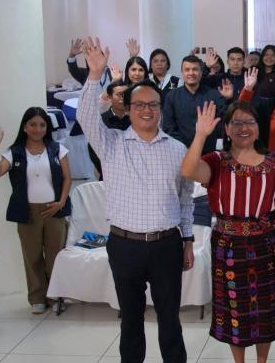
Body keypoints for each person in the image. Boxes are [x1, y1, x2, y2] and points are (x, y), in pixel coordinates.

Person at [77, 37, 195, 363]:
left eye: (153, 105)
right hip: (125, 245)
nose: (146, 110)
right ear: (127, 110)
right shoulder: (111, 143)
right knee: (131, 321)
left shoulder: (176, 148)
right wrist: (94, 75)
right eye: (139, 105)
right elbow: (86, 118)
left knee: (170, 321)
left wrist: (187, 240)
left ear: (161, 109)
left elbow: (185, 199)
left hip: (166, 245)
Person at [180, 101, 275, 363]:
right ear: (227, 129)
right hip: (229, 246)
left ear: (259, 127)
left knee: (265, 311)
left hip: (268, 244)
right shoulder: (217, 161)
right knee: (235, 310)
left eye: (250, 122)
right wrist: (200, 134)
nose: (244, 128)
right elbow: (188, 171)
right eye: (237, 123)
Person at [0, 108, 71, 314]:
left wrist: (60, 203)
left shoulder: (57, 149)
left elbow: (68, 178)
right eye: (33, 125)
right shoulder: (14, 151)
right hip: (27, 211)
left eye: (42, 125)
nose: (37, 129)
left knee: (55, 255)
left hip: (54, 210)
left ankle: (55, 297)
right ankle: (37, 298)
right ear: (25, 127)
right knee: (31, 256)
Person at [162, 55, 231, 155]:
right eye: (187, 70)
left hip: (210, 152)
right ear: (182, 72)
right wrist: (186, 148)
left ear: (201, 72)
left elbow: (224, 121)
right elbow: (169, 128)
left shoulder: (214, 95)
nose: (191, 73)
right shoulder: (172, 96)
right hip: (181, 152)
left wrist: (228, 100)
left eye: (195, 69)